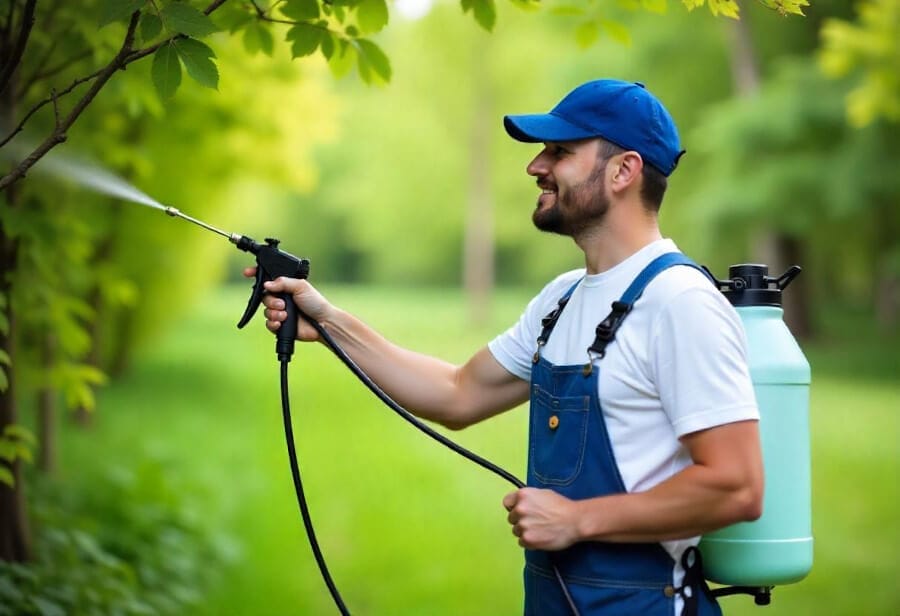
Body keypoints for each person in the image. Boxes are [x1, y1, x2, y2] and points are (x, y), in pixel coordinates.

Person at [252, 79, 763, 616]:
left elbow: (736, 487)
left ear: (623, 171)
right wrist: (331, 325)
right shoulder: (561, 299)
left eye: (560, 152)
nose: (535, 166)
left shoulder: (680, 303)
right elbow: (457, 394)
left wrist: (577, 519)